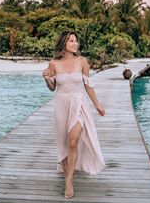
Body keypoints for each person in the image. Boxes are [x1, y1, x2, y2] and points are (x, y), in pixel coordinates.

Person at [42, 31, 105, 199]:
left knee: (73, 141)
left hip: (79, 103)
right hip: (61, 104)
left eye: (76, 41)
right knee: (63, 143)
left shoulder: (82, 61)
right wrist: (46, 79)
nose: (75, 43)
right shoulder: (54, 63)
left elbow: (88, 85)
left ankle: (69, 180)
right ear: (64, 43)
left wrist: (97, 104)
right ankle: (66, 174)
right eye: (71, 41)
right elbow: (52, 87)